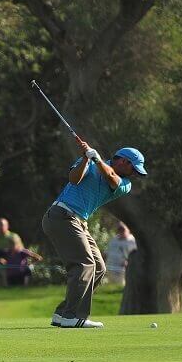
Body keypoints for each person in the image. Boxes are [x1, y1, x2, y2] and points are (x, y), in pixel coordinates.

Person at [42, 138, 145, 328]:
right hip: (61, 216)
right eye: (134, 169)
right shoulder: (90, 161)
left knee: (98, 267)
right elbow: (74, 179)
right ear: (123, 161)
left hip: (79, 222)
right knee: (85, 264)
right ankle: (73, 316)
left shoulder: (125, 184)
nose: (136, 174)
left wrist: (97, 159)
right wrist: (85, 159)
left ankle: (63, 313)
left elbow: (112, 179)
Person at [104, 222, 138, 287]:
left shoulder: (132, 241)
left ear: (128, 229)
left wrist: (130, 263)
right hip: (111, 268)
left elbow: (135, 255)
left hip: (122, 270)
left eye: (123, 229)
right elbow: (107, 252)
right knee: (110, 287)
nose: (121, 231)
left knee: (120, 286)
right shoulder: (114, 239)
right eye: (119, 229)